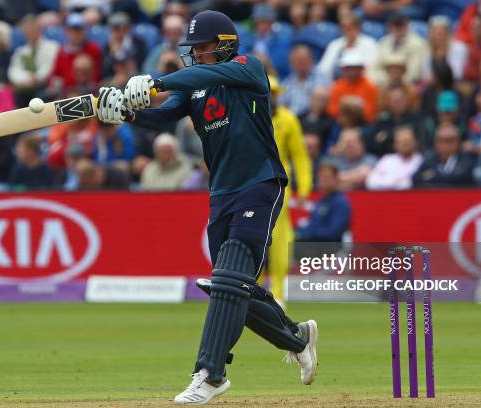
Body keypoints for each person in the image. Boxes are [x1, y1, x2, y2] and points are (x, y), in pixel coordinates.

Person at [96, 10, 318, 405]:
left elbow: (200, 77)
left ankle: (210, 374)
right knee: (234, 288)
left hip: (260, 184)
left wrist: (156, 81)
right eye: (193, 49)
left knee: (228, 280)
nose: (196, 55)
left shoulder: (249, 69)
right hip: (221, 194)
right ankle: (296, 337)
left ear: (226, 45)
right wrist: (126, 113)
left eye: (203, 48)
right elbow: (163, 114)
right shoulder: (194, 88)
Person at [264, 76, 313, 307]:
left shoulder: (287, 119)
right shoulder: (247, 116)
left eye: (272, 93)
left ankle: (277, 292)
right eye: (266, 92)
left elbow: (300, 156)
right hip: (250, 183)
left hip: (279, 184)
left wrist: (304, 187)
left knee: (281, 238)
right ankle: (254, 289)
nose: (269, 98)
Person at [295, 158, 351, 242]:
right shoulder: (320, 201)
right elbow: (312, 225)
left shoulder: (341, 203)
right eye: (320, 177)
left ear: (336, 179)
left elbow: (334, 233)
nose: (322, 180)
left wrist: (308, 234)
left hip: (327, 249)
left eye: (327, 176)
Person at [318, 12, 379, 80]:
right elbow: (324, 68)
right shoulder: (334, 45)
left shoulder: (369, 43)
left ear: (358, 27)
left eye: (350, 27)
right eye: (343, 28)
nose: (347, 31)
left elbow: (372, 69)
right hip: (336, 84)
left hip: (361, 83)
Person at [326, 50, 379, 123]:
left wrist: (353, 109)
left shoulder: (369, 86)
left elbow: (370, 113)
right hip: (340, 123)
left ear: (361, 69)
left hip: (363, 123)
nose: (351, 71)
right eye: (348, 68)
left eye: (354, 68)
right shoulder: (337, 86)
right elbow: (332, 110)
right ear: (343, 70)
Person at [279, 45, 330, 116]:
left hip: (314, 120)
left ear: (311, 60)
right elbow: (281, 106)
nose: (300, 63)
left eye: (303, 59)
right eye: (296, 60)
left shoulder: (321, 77)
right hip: (293, 121)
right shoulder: (286, 83)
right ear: (291, 63)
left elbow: (325, 102)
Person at [366, 126, 423, 190]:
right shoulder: (387, 160)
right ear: (395, 144)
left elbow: (411, 183)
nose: (404, 144)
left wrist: (387, 179)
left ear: (415, 142)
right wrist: (395, 181)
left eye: (407, 141)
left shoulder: (421, 161)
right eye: (400, 142)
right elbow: (372, 182)